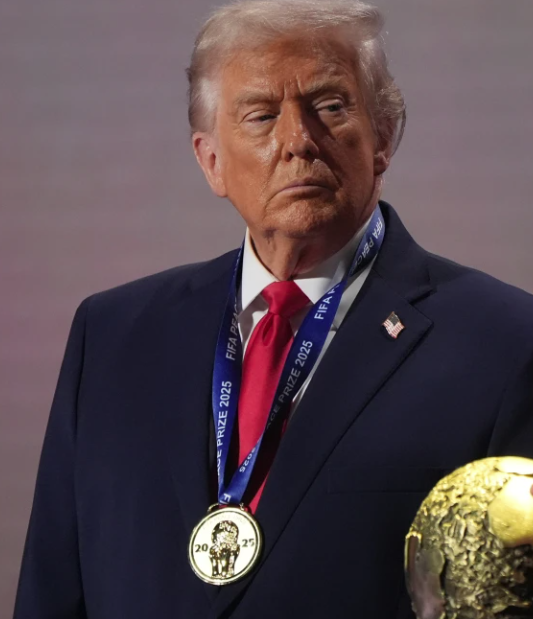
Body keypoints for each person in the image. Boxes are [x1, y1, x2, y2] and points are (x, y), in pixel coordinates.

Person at [13, 1, 533, 618]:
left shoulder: (505, 346)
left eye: (330, 106)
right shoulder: (111, 339)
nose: (297, 141)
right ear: (210, 160)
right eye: (261, 115)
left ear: (384, 136)